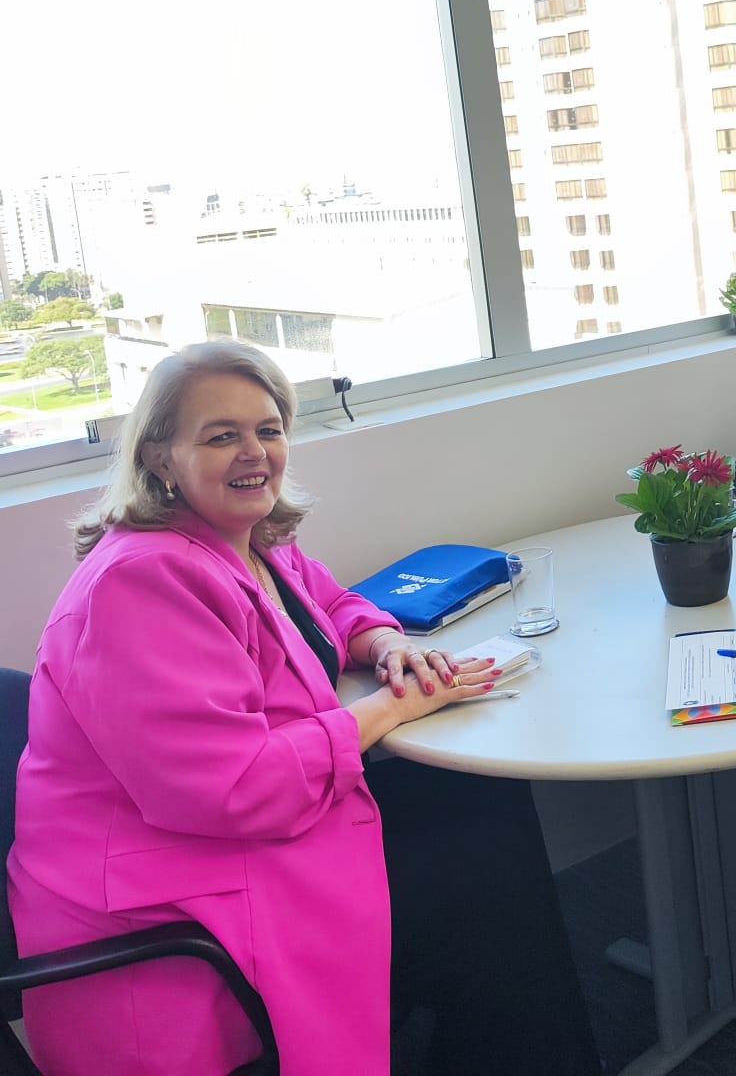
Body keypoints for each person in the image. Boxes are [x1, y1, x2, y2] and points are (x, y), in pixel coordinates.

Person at [6, 341, 601, 1076]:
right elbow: (236, 788)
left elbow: (327, 600)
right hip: (171, 900)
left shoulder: (244, 538)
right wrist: (394, 707)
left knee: (480, 812)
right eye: (221, 436)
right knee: (482, 872)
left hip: (238, 836)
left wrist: (385, 642)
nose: (254, 452)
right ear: (159, 457)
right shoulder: (140, 584)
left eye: (268, 429)